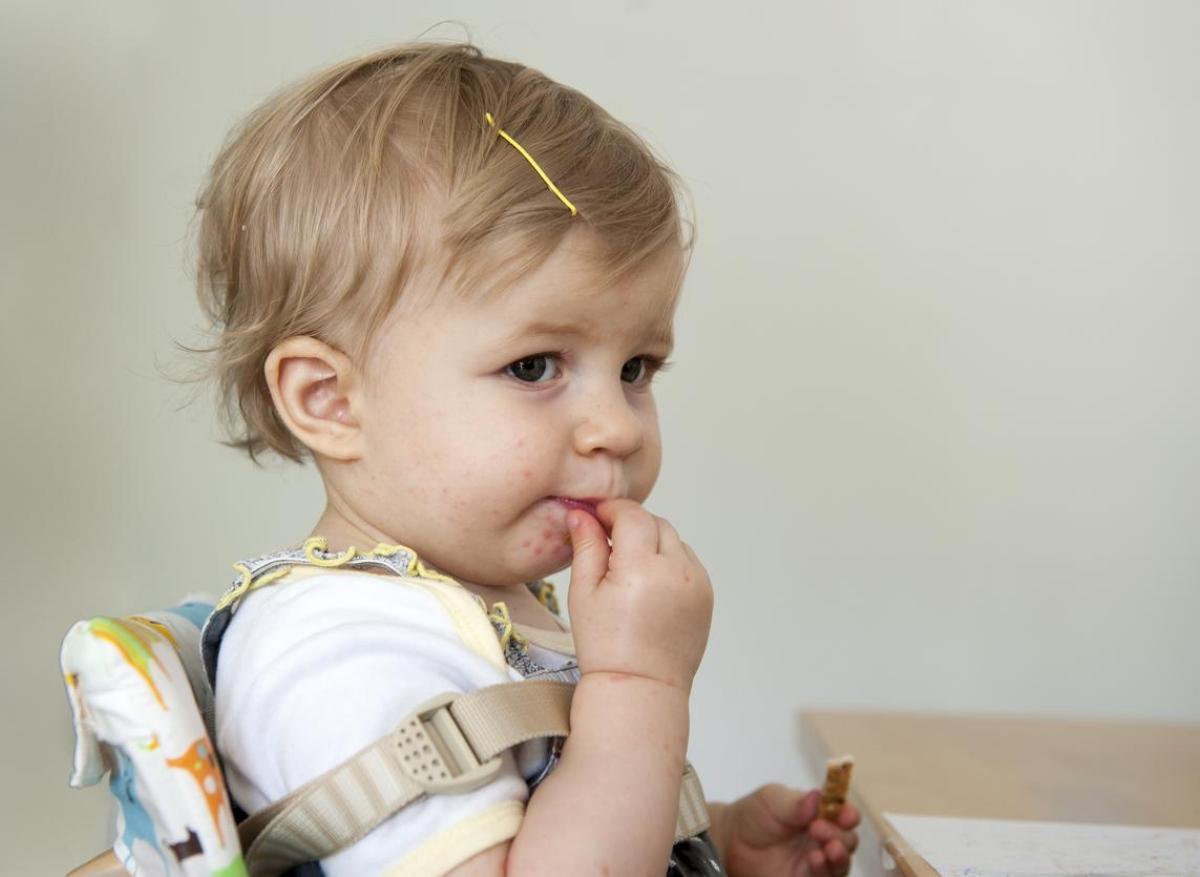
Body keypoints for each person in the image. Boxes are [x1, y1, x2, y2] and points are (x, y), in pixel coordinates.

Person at [188, 40, 860, 877]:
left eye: (635, 369)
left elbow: (546, 821)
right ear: (331, 400)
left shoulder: (475, 611)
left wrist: (718, 837)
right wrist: (640, 691)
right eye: (534, 366)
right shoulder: (337, 651)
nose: (614, 426)